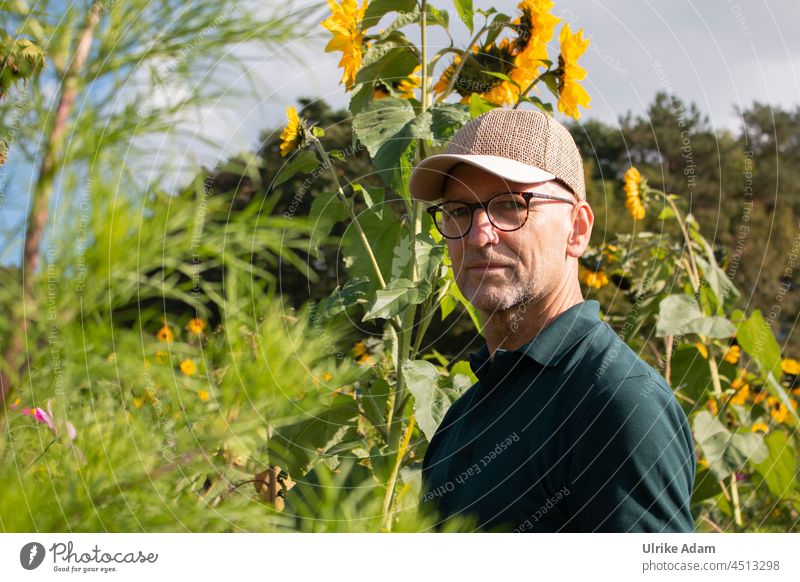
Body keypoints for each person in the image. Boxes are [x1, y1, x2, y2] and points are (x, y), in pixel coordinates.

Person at [408, 108, 695, 533]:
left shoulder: (616, 404)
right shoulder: (461, 416)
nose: (477, 235)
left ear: (577, 230)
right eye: (457, 210)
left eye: (510, 205)